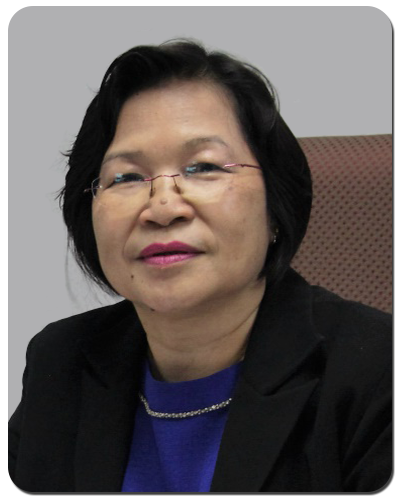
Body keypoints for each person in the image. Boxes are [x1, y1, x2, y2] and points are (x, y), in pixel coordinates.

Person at [8, 39, 391, 493]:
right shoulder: (62, 360)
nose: (162, 208)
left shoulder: (379, 373)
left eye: (203, 167)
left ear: (275, 206)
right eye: (126, 177)